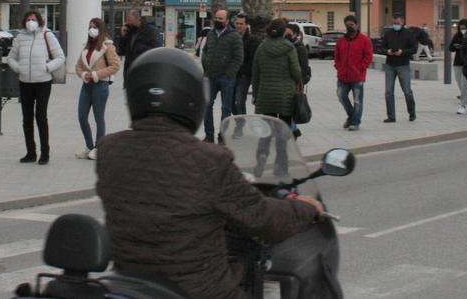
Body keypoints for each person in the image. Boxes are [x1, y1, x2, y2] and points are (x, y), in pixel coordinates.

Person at [95, 48, 324, 299]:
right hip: (198, 290)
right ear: (192, 99)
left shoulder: (109, 150)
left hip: (132, 284)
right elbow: (263, 219)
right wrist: (306, 208)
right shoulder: (210, 159)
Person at [7, 10, 65, 164]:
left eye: (33, 19)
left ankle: (45, 153)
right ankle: (30, 152)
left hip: (43, 82)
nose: (31, 21)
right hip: (25, 82)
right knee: (27, 118)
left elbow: (60, 57)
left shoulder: (47, 35)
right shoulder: (20, 37)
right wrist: (18, 68)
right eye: (28, 19)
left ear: (39, 21)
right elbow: (11, 58)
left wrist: (47, 67)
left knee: (41, 116)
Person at [74, 18, 120, 159]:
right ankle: (89, 146)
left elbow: (115, 66)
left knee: (98, 117)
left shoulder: (108, 47)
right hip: (86, 85)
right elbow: (78, 66)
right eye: (90, 26)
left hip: (100, 85)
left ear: (101, 29)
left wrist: (95, 75)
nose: (92, 29)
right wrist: (83, 74)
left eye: (95, 27)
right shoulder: (86, 46)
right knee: (82, 116)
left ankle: (99, 147)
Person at [200, 9, 244, 143]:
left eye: (221, 19)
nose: (217, 21)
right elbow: (205, 51)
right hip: (210, 76)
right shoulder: (211, 34)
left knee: (226, 108)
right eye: (216, 18)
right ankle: (209, 135)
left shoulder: (234, 36)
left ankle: (222, 136)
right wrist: (206, 66)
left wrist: (229, 73)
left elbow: (238, 57)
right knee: (207, 105)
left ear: (227, 21)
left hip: (226, 78)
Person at [333, 15, 373, 131]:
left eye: (352, 25)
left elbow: (368, 56)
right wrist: (338, 67)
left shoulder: (365, 40)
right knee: (341, 96)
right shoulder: (341, 41)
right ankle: (351, 116)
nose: (349, 27)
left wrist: (361, 68)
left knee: (357, 100)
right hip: (343, 76)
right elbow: (337, 56)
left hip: (357, 76)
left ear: (357, 25)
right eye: (347, 25)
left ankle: (355, 122)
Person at [380, 15, 418, 123]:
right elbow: (382, 47)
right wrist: (387, 51)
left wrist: (403, 52)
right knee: (388, 92)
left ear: (402, 22)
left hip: (403, 65)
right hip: (390, 65)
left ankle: (412, 113)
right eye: (394, 23)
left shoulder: (409, 34)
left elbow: (414, 49)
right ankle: (391, 116)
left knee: (407, 91)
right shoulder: (388, 34)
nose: (395, 25)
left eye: (398, 23)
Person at [233, 14, 261, 115]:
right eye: (237, 23)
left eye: (241, 23)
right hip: (231, 75)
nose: (238, 26)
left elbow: (253, 61)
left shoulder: (253, 41)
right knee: (232, 103)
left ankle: (242, 125)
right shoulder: (232, 38)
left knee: (239, 102)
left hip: (244, 76)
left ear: (246, 25)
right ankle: (238, 123)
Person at [117, 9, 161, 74]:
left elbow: (156, 50)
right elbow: (121, 51)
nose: (127, 22)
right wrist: (122, 36)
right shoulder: (130, 31)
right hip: (130, 69)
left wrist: (138, 48)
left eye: (129, 20)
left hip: (143, 69)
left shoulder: (150, 31)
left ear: (137, 19)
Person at [449, 19, 467, 103]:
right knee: (459, 81)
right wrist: (456, 46)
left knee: (465, 82)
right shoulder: (457, 35)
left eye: (464, 28)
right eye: (461, 28)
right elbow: (450, 48)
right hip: (458, 61)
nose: (463, 30)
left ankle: (466, 100)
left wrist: (463, 46)